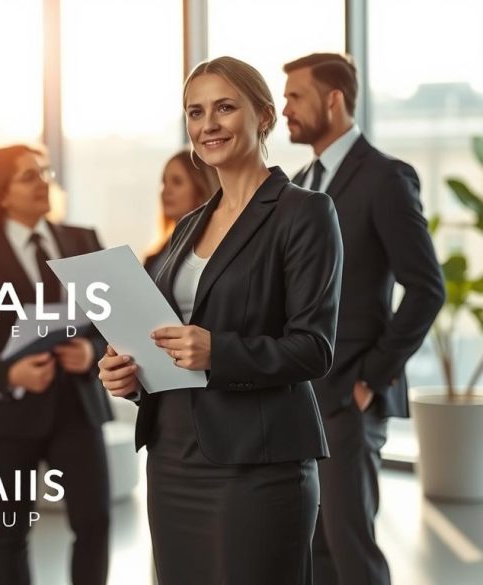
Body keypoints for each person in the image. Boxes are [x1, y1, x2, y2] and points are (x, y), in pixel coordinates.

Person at [98, 56, 342, 584]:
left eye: (224, 108)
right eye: (195, 112)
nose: (207, 124)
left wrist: (219, 351)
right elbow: (168, 336)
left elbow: (314, 348)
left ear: (264, 116)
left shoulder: (304, 212)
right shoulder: (188, 226)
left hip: (256, 465)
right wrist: (129, 372)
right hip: (171, 456)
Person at [283, 53, 445, 585]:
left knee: (351, 549)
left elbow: (426, 289)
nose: (285, 109)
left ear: (333, 100)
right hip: (299, 397)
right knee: (312, 549)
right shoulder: (299, 183)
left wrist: (371, 380)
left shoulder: (385, 178)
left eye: (295, 97)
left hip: (351, 398)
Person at [0, 145, 112, 585]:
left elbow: (112, 318)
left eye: (44, 173)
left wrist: (91, 351)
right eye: (27, 177)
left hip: (77, 404)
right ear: (0, 193)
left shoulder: (82, 241)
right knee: (10, 532)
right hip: (4, 413)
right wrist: (7, 373)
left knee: (94, 523)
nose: (42, 183)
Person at [143, 149, 219, 276]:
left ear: (200, 189)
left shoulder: (210, 248)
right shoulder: (158, 252)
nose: (166, 190)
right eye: (164, 182)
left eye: (177, 182)